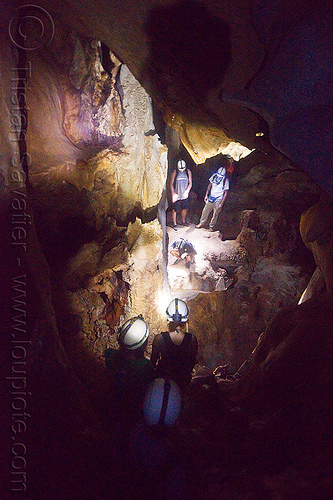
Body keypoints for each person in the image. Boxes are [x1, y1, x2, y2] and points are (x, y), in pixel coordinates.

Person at [104, 315, 154, 420]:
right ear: (143, 344)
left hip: (111, 407)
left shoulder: (109, 355)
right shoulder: (145, 366)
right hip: (133, 412)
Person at [151, 298, 198, 391]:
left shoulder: (159, 338)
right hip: (183, 383)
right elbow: (192, 362)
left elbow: (152, 362)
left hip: (162, 382)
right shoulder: (192, 339)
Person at [195, 166, 229, 231]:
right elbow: (209, 185)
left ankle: (211, 226)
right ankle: (201, 223)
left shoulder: (225, 180)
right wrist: (206, 195)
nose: (219, 177)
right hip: (211, 196)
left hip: (219, 198)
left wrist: (221, 203)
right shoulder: (214, 176)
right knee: (205, 210)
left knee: (215, 213)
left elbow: (225, 193)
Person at [170, 159, 193, 230]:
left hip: (184, 195)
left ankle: (183, 221)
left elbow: (190, 183)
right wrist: (173, 194)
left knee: (185, 208)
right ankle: (174, 224)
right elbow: (171, 184)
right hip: (177, 194)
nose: (182, 170)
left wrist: (187, 191)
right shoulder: (175, 172)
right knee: (175, 209)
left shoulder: (187, 172)